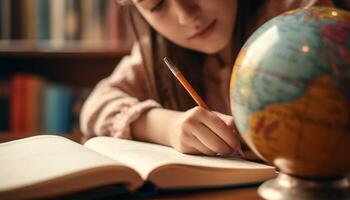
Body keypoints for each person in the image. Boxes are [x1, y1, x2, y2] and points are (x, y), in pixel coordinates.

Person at [80, 0, 346, 156]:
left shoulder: (300, 19)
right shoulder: (156, 52)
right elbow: (96, 104)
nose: (187, 16)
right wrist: (168, 127)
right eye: (156, 4)